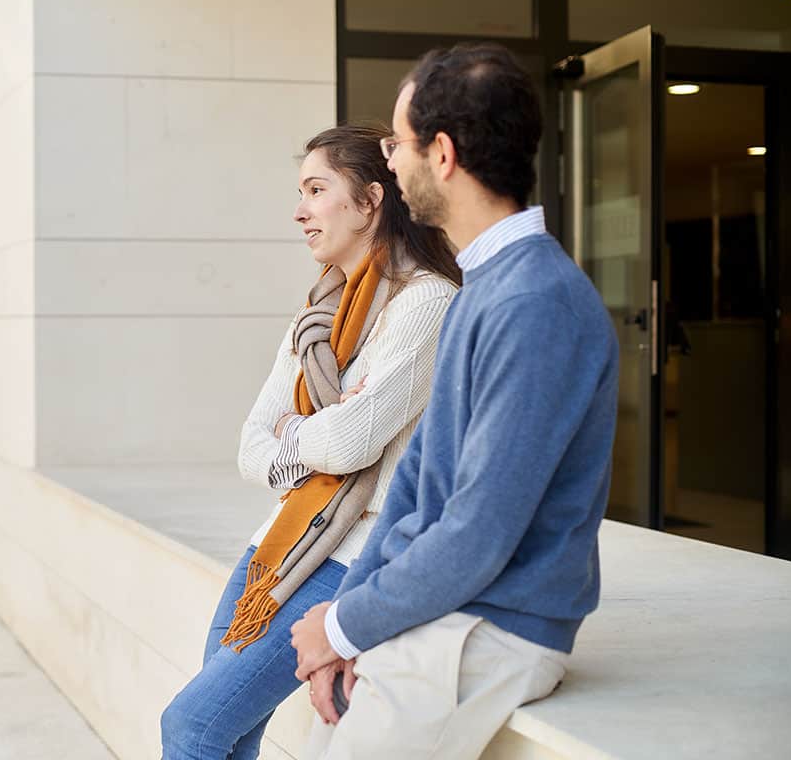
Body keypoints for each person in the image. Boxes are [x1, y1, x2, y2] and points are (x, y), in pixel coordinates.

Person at [290, 43, 619, 760]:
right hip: (438, 612)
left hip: (493, 625)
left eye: (398, 144)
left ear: (441, 154)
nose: (391, 161)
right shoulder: (486, 285)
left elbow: (478, 531)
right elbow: (416, 483)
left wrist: (343, 626)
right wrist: (354, 619)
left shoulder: (537, 302)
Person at [160, 124, 461, 759]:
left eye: (317, 189)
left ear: (372, 200)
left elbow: (353, 445)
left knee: (191, 727)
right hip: (278, 546)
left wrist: (293, 434)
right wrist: (316, 435)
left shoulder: (428, 304)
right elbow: (250, 448)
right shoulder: (315, 315)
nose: (299, 210)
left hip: (350, 555)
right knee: (227, 734)